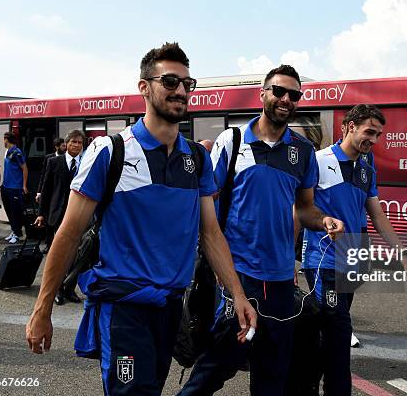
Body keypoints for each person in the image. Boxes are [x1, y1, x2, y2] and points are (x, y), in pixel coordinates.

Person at [26, 42, 256, 396]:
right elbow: (69, 234)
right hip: (124, 312)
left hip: (169, 311)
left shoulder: (196, 158)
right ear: (144, 87)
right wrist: (43, 309)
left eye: (187, 83)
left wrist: (237, 295)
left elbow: (210, 235)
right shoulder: (111, 151)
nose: (180, 90)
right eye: (169, 81)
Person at [178, 65, 344, 396]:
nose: (286, 99)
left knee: (273, 375)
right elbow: (205, 201)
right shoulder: (233, 139)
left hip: (281, 281)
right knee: (216, 367)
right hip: (238, 275)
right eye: (279, 91)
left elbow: (305, 207)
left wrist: (324, 220)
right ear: (263, 94)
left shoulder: (303, 151)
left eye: (294, 95)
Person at [300, 104, 407, 395]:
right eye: (369, 132)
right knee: (339, 333)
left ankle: (306, 384)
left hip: (353, 262)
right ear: (349, 127)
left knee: (327, 333)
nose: (374, 140)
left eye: (378, 134)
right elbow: (301, 209)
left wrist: (400, 250)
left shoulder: (367, 166)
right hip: (323, 261)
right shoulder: (318, 160)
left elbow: (376, 214)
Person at [34, 130, 84, 305]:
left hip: (80, 214)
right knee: (60, 254)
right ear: (67, 143)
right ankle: (55, 290)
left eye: (80, 143)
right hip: (59, 214)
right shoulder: (54, 162)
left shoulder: (87, 162)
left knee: (78, 255)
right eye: (74, 142)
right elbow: (46, 190)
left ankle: (69, 289)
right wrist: (41, 213)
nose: (77, 145)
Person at [36, 137, 66, 253]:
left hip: (60, 191)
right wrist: (40, 192)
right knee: (49, 220)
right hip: (51, 193)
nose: (64, 147)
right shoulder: (49, 158)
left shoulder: (68, 159)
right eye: (62, 146)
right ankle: (48, 243)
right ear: (57, 147)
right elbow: (44, 176)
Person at [1, 132, 28, 244]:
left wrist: (24, 185)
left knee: (15, 211)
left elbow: (25, 168)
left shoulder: (17, 153)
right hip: (6, 186)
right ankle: (14, 230)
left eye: (3, 139)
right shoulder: (8, 151)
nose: (3, 141)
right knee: (8, 210)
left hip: (15, 187)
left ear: (6, 139)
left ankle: (17, 234)